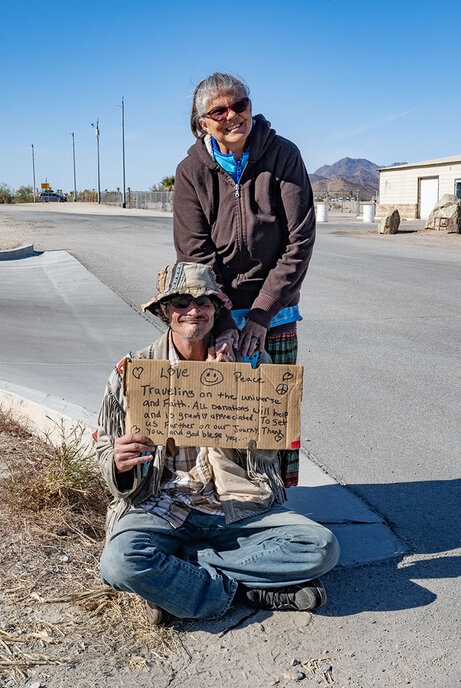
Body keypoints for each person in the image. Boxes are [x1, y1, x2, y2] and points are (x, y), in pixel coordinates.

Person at [98, 262, 339, 623]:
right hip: (161, 506)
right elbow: (105, 447)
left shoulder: (252, 365)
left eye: (204, 302)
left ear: (216, 309)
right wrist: (118, 463)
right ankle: (243, 591)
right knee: (119, 564)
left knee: (320, 547)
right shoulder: (134, 370)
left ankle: (181, 573)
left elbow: (268, 453)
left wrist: (234, 383)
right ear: (165, 311)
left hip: (234, 507)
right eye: (181, 302)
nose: (193, 311)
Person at [173, 72, 316, 489]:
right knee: (219, 421)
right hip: (213, 310)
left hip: (275, 311)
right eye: (218, 111)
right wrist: (222, 323)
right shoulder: (190, 171)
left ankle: (275, 502)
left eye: (240, 105)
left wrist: (260, 315)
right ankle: (223, 499)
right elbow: (194, 254)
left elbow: (299, 240)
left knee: (272, 417)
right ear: (202, 122)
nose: (232, 116)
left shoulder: (283, 155)